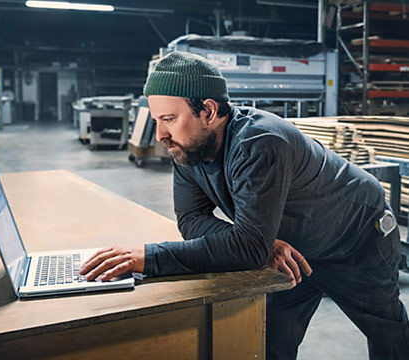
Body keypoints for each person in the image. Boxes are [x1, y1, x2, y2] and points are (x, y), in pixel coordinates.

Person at [80, 51, 409, 359]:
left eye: (169, 119)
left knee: (386, 330)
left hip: (357, 238)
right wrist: (263, 243)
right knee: (268, 342)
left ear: (207, 111)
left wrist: (150, 258)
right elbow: (191, 219)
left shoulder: (259, 144)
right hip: (294, 250)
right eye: (157, 120)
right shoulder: (187, 149)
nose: (161, 134)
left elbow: (247, 248)